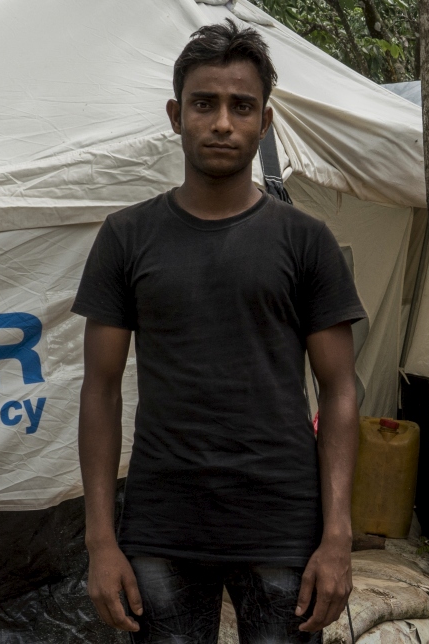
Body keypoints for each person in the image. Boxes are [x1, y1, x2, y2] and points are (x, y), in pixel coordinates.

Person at [72, 20, 365, 643]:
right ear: (177, 115)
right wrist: (101, 539)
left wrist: (337, 535)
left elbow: (340, 389)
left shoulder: (305, 242)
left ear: (265, 121)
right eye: (205, 104)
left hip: (284, 523)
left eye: (242, 106)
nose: (223, 122)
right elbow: (98, 390)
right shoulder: (126, 236)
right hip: (161, 524)